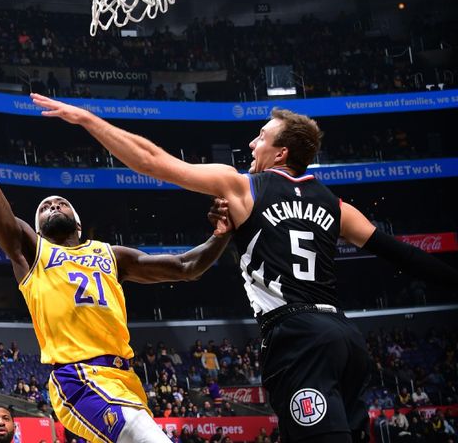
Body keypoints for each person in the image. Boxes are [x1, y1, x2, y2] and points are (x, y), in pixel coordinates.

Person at [30, 96, 458, 443]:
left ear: (281, 152)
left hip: (297, 337)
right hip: (346, 340)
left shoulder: (243, 186)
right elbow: (401, 253)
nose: (253, 144)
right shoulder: (336, 204)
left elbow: (149, 160)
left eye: (261, 137)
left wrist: (88, 119)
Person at [0, 54, 233, 443]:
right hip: (76, 377)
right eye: (45, 207)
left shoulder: (111, 255)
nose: (53, 205)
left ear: (78, 223)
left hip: (125, 380)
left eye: (61, 203)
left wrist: (223, 232)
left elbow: (185, 267)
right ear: (38, 227)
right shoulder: (31, 252)